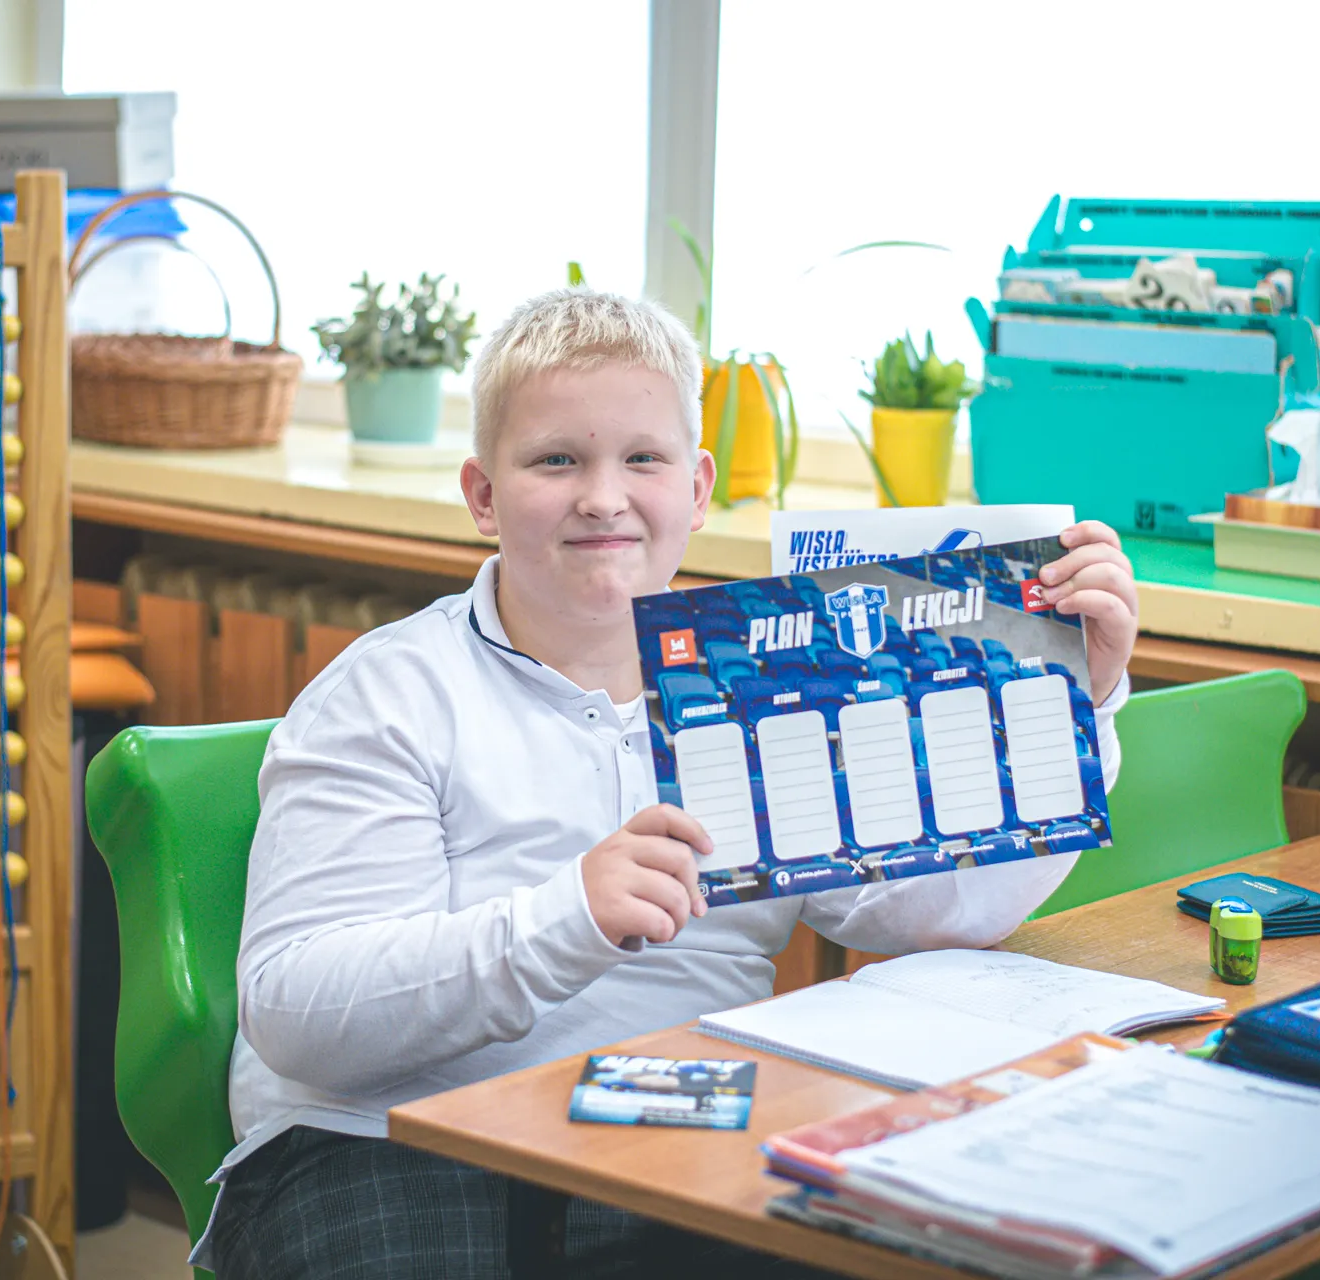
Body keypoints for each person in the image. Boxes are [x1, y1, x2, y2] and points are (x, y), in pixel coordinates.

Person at [201, 289, 1140, 1279]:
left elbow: (924, 913)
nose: (603, 497)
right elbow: (297, 1011)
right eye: (555, 460)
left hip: (691, 1133)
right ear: (482, 494)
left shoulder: (773, 672)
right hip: (388, 1139)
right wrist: (567, 917)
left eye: (642, 459)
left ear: (695, 490)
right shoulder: (387, 694)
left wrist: (1076, 707)